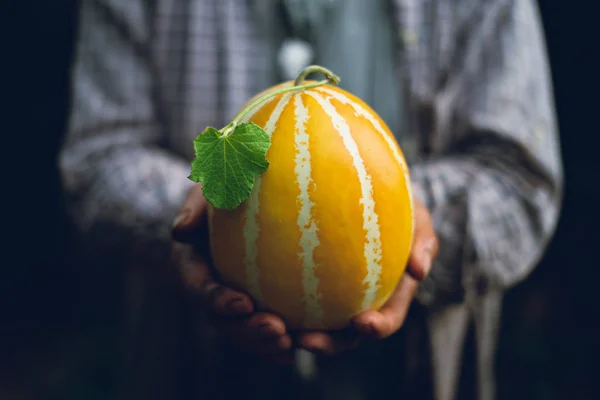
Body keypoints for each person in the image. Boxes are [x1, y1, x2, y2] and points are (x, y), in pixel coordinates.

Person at [59, 0, 563, 399]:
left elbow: (519, 182)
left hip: (416, 376)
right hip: (193, 368)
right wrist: (194, 216)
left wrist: (407, 221)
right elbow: (99, 160)